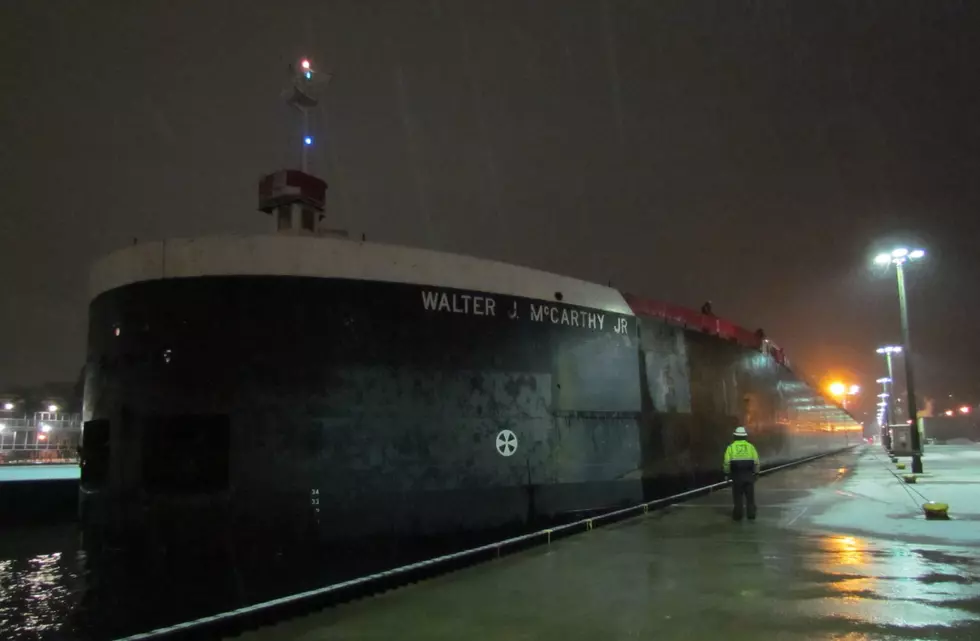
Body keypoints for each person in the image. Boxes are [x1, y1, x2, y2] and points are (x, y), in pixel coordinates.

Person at [723, 426, 760, 521]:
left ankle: (738, 515)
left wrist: (727, 473)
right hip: (748, 475)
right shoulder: (751, 447)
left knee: (738, 497)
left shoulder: (730, 448)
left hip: (737, 476)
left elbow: (727, 462)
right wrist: (756, 473)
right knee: (750, 498)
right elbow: (756, 462)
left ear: (735, 436)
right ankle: (751, 515)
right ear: (745, 437)